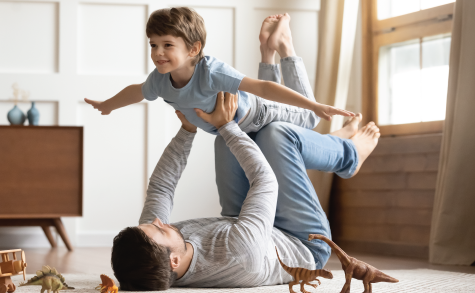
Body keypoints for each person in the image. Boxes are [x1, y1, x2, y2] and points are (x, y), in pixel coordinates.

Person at [109, 14, 381, 291]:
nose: (158, 221)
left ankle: (321, 131)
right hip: (302, 241)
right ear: (174, 262)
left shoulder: (151, 245)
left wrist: (188, 130)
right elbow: (265, 181)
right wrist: (226, 126)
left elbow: (161, 187)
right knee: (275, 134)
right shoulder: (239, 255)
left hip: (243, 221)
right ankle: (349, 155)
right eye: (159, 229)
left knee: (234, 137)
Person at [84, 8, 355, 136]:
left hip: (257, 114)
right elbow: (138, 91)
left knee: (310, 120)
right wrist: (109, 105)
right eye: (153, 44)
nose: (157, 53)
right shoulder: (159, 81)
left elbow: (261, 88)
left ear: (193, 49)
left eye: (167, 45)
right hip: (237, 127)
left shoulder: (210, 71)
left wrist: (314, 105)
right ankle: (269, 49)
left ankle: (285, 47)